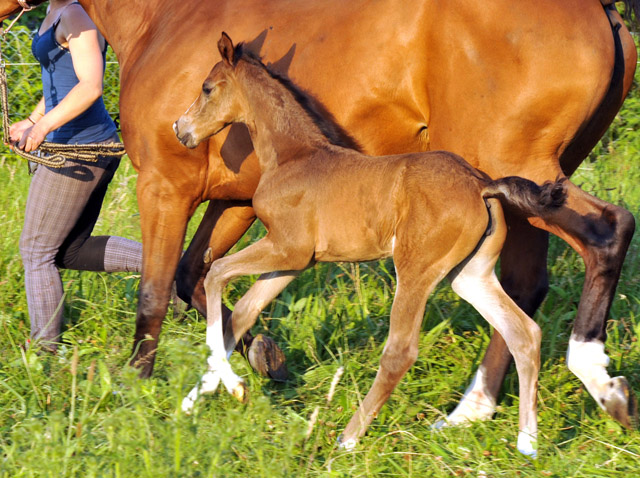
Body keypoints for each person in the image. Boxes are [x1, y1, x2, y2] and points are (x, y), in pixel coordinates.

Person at [9, 0, 142, 351]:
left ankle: (44, 356)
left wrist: (44, 128)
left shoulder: (75, 15)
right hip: (70, 144)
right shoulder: (55, 10)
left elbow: (90, 86)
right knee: (70, 252)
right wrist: (35, 120)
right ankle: (172, 267)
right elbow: (59, 81)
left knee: (36, 252)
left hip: (82, 149)